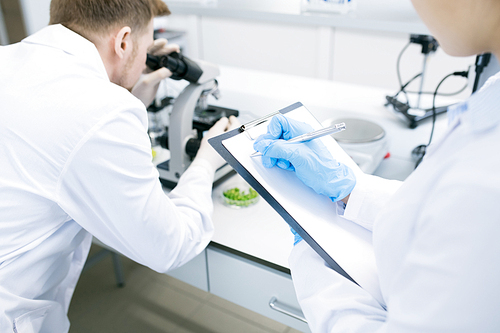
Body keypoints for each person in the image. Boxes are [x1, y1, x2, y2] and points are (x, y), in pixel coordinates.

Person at [254, 0, 500, 331]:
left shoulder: (486, 179)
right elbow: (439, 217)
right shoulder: (492, 93)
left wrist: (314, 254)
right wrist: (352, 189)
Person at [0, 0, 238, 331]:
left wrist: (128, 86)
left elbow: (67, 133)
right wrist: (207, 161)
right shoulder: (103, 112)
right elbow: (169, 246)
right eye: (143, 47)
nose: (144, 59)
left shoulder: (8, 58)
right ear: (123, 41)